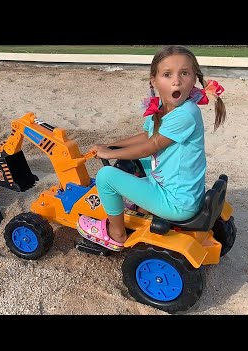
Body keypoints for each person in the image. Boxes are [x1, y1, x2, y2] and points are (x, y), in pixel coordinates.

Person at [77, 45, 227, 252]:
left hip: (175, 202)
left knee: (105, 176)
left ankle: (116, 234)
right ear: (154, 80)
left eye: (184, 73)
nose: (176, 81)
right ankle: (140, 207)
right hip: (173, 189)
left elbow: (151, 146)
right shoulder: (159, 109)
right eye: (167, 74)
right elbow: (147, 137)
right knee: (140, 164)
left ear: (194, 79)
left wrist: (110, 154)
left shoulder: (186, 114)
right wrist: (111, 145)